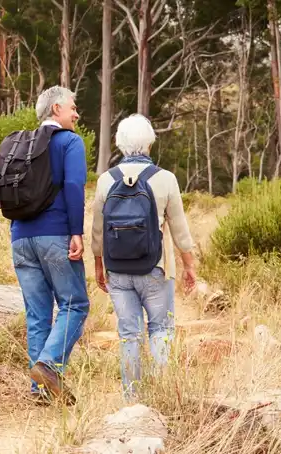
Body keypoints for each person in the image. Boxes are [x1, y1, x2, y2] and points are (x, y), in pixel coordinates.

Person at [0, 86, 89, 405]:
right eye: (73, 108)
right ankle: (48, 366)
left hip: (20, 239)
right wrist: (76, 232)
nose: (76, 114)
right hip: (55, 235)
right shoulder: (69, 142)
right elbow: (74, 186)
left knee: (37, 314)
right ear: (57, 108)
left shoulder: (20, 144)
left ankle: (41, 392)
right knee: (75, 304)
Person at [90, 114, 197, 402]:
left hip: (118, 271)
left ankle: (131, 401)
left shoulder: (106, 180)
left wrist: (99, 265)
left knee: (129, 334)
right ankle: (162, 397)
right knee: (161, 329)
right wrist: (189, 266)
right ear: (149, 143)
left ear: (120, 143)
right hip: (156, 268)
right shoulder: (165, 179)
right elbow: (179, 228)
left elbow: (98, 230)